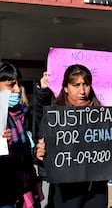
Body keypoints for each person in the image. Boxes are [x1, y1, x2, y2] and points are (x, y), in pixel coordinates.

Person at [34, 64, 112, 208]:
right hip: (66, 192)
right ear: (66, 88)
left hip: (96, 190)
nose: (82, 91)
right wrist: (40, 154)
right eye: (76, 85)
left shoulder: (102, 115)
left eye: (86, 84)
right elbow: (41, 129)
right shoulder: (55, 117)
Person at [0, 62, 42, 208]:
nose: (17, 90)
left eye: (19, 84)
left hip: (25, 186)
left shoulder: (20, 115)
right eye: (11, 85)